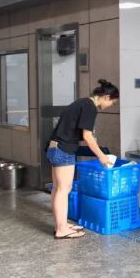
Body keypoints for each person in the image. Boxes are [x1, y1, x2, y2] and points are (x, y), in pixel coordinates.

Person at [48, 79, 119, 239]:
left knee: (58, 189)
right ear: (107, 97)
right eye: (112, 103)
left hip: (55, 147)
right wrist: (101, 156)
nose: (110, 106)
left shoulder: (81, 103)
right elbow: (87, 136)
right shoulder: (89, 107)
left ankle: (61, 225)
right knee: (63, 190)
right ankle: (61, 229)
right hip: (64, 149)